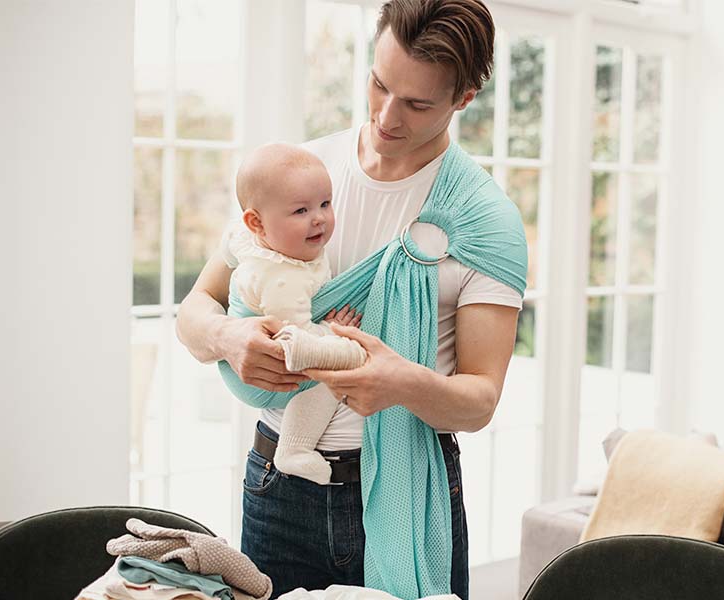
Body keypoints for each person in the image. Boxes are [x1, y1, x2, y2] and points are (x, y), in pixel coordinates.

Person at [175, 0, 524, 597]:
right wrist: (227, 338)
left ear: (463, 99)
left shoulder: (482, 220)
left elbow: (481, 399)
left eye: (417, 103)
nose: (387, 116)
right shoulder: (302, 174)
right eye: (379, 84)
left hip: (405, 490)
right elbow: (194, 310)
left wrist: (403, 383)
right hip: (278, 482)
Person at [220, 142, 367, 486]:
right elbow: (300, 347)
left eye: (325, 204)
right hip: (264, 376)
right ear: (257, 222)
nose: (319, 218)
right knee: (326, 377)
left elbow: (230, 246)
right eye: (300, 211)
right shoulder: (283, 279)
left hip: (254, 352)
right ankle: (295, 449)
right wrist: (334, 335)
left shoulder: (249, 237)